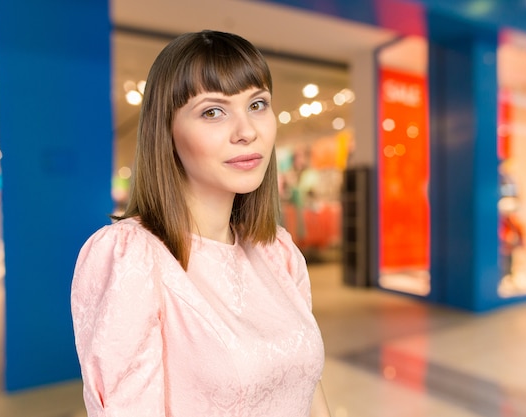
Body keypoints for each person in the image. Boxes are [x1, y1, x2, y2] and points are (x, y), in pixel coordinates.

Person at [71, 30, 331, 417]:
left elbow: (309, 391)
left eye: (257, 104)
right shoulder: (134, 259)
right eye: (213, 111)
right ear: (167, 132)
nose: (247, 131)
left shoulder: (277, 252)